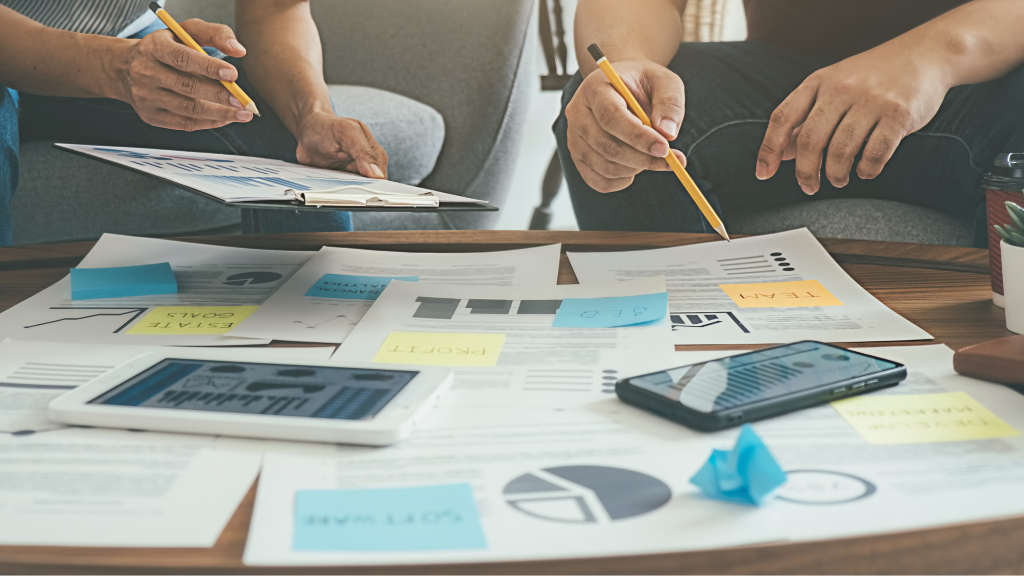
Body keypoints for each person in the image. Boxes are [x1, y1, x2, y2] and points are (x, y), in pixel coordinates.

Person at [556, 0, 1024, 246]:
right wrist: (623, 63)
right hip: (788, 85)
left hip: (987, 79)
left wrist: (935, 54)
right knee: (621, 111)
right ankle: (662, 353)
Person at [0, 0, 392, 246]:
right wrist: (113, 67)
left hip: (126, 35)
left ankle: (320, 326)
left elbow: (275, 7)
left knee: (282, 129)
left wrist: (311, 113)